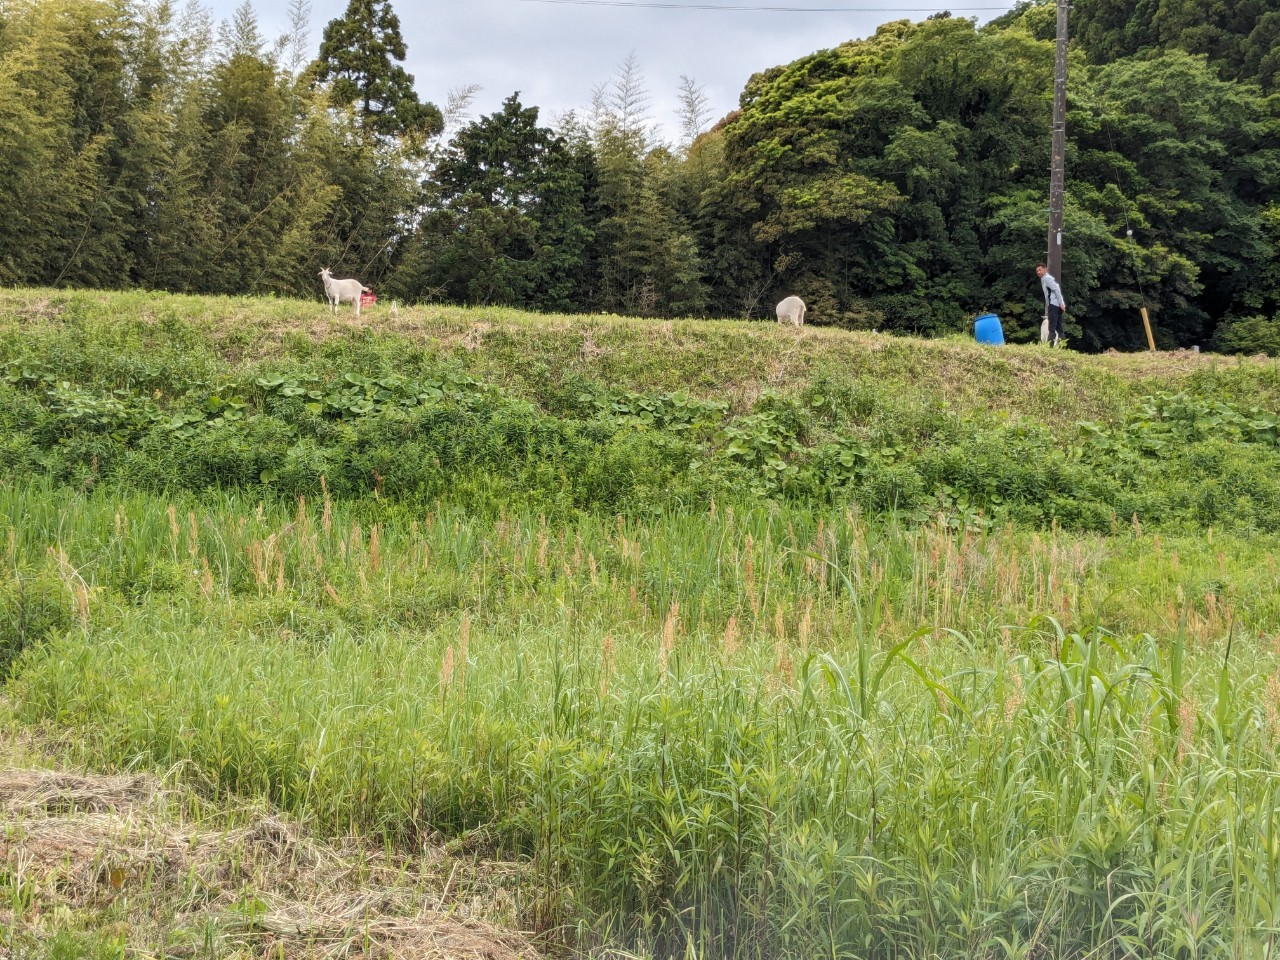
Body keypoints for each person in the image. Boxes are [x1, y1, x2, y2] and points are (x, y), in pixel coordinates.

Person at [1036, 264, 1066, 346]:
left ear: (1045, 269)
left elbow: (1056, 290)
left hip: (1053, 305)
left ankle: (1050, 347)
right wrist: (1061, 303)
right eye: (1037, 271)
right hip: (1057, 305)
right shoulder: (1044, 279)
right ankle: (1063, 346)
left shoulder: (1047, 278)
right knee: (1059, 327)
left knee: (1051, 327)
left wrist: (1061, 303)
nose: (1038, 272)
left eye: (1040, 270)